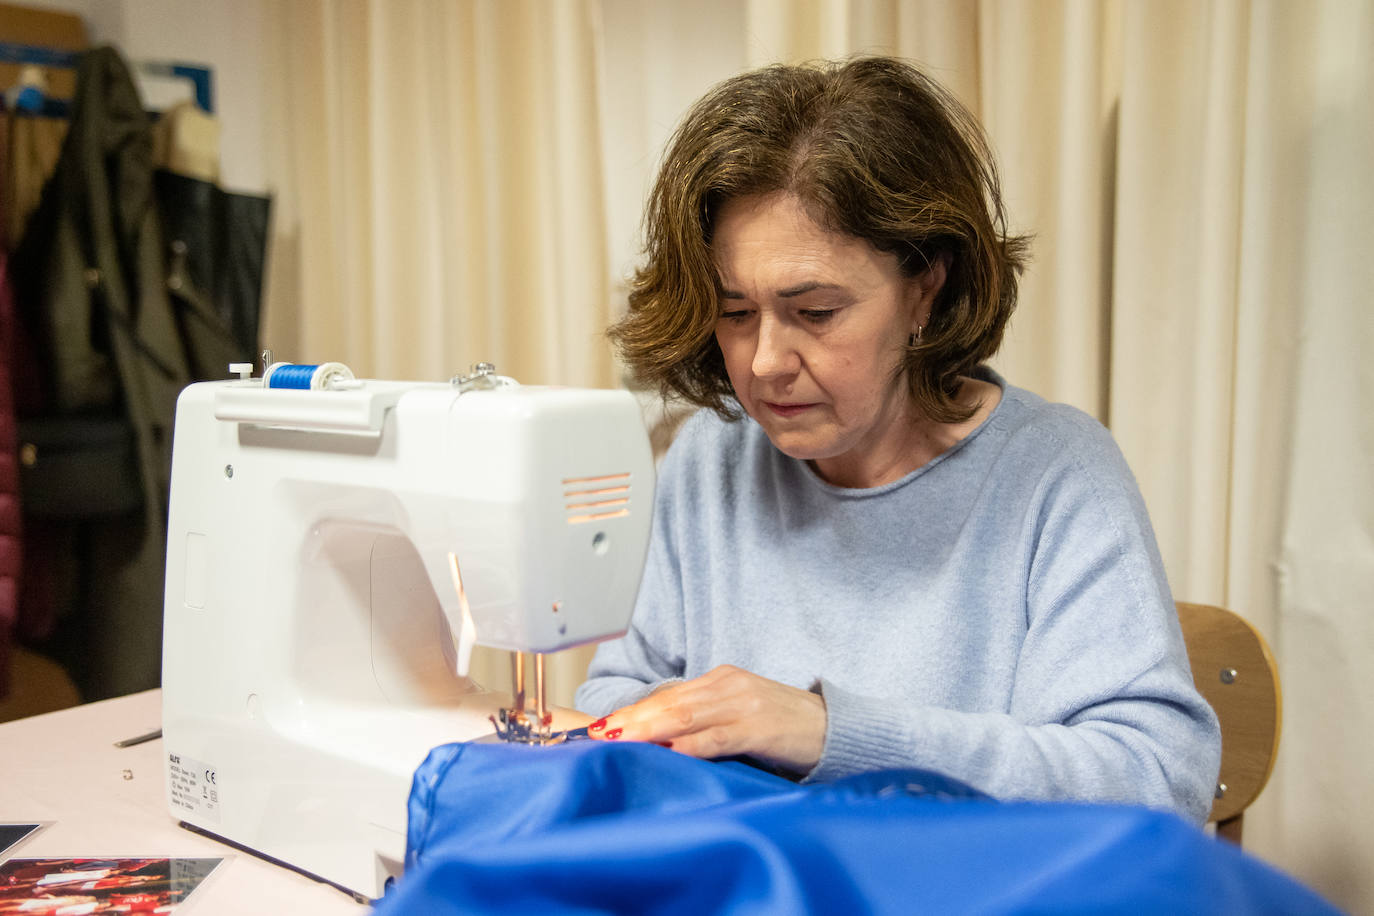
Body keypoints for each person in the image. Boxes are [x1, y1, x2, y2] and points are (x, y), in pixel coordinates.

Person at [574, 56, 1221, 823]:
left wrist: (831, 735)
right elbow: (616, 700)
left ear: (927, 287)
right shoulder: (709, 459)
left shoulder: (1054, 475)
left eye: (815, 312)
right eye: (735, 312)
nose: (766, 361)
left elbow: (1154, 776)